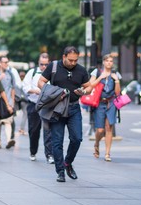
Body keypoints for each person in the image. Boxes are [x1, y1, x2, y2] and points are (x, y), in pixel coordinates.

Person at [38, 46, 92, 182]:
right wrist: (54, 93)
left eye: (75, 60)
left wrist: (84, 92)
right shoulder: (54, 66)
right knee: (57, 141)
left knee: (77, 138)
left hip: (74, 108)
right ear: (64, 57)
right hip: (57, 108)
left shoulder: (80, 70)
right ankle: (60, 171)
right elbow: (41, 82)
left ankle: (67, 162)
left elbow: (89, 86)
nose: (73, 63)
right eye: (70, 60)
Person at [22, 53, 54, 163]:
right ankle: (33, 151)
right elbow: (25, 87)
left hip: (48, 106)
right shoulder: (32, 72)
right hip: (34, 104)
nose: (44, 67)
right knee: (34, 130)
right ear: (38, 63)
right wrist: (35, 91)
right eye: (42, 64)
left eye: (46, 64)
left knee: (48, 130)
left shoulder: (53, 74)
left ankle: (49, 154)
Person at [90, 54, 122, 162]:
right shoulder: (97, 72)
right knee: (100, 130)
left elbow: (118, 92)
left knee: (109, 128)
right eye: (107, 61)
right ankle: (97, 143)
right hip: (99, 103)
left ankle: (107, 153)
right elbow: (90, 85)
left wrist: (116, 80)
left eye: (111, 61)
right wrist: (100, 77)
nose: (109, 63)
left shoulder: (116, 74)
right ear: (103, 62)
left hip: (111, 103)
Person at [0, 56, 16, 149]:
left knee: (8, 121)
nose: (7, 64)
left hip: (8, 101)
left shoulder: (10, 74)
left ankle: (9, 140)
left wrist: (12, 102)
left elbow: (13, 88)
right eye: (5, 62)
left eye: (7, 62)